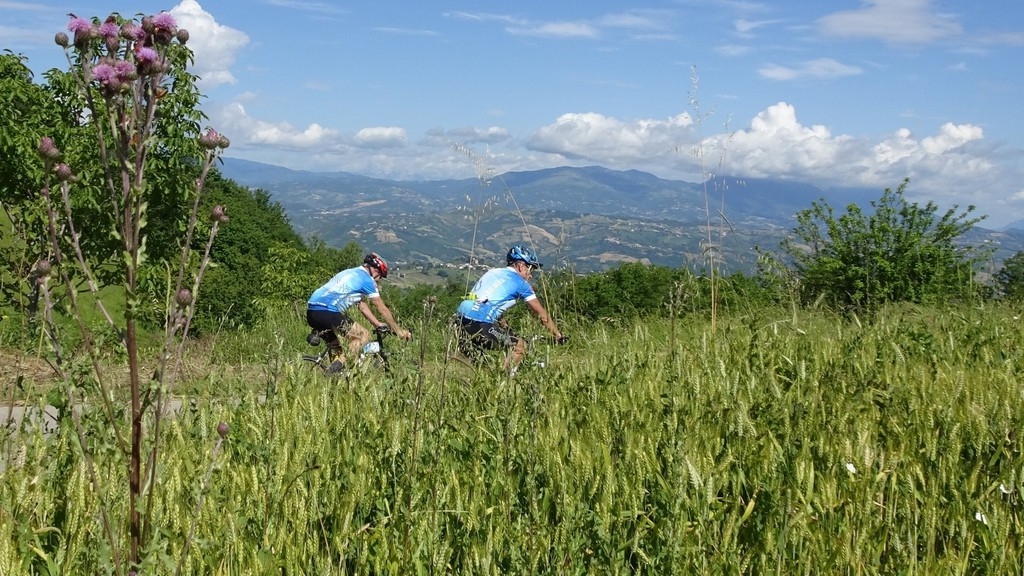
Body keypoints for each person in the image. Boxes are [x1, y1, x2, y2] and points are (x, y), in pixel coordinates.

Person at [454, 245, 568, 373]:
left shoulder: (492, 272)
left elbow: (486, 299)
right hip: (479, 322)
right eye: (530, 269)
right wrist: (557, 335)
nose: (530, 275)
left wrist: (503, 324)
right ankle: (500, 381)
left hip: (458, 321)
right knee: (520, 346)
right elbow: (540, 313)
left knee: (484, 369)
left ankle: (490, 382)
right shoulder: (521, 283)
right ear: (520, 265)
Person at [306, 252, 412, 374]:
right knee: (364, 336)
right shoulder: (366, 279)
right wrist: (399, 331)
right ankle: (333, 369)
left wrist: (377, 323)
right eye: (380, 276)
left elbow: (362, 306)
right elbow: (381, 307)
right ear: (375, 270)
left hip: (312, 312)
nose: (379, 280)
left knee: (341, 348)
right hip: (328, 311)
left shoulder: (350, 272)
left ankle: (336, 378)